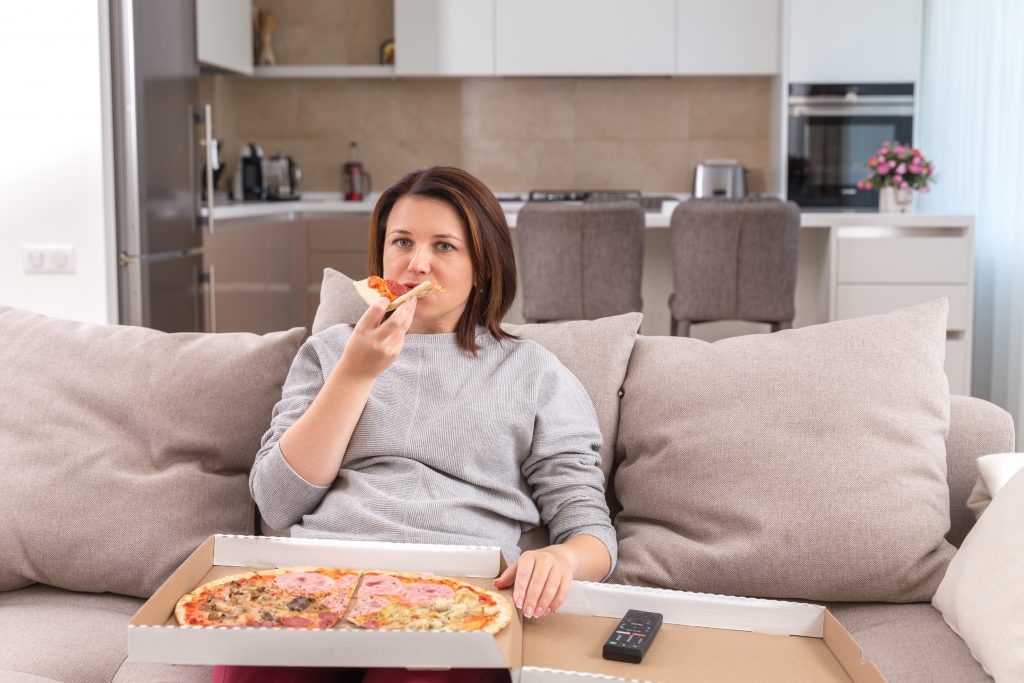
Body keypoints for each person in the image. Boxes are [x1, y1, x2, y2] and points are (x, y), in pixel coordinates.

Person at [215, 166, 616, 683]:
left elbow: (592, 534)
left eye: (444, 247)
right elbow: (277, 501)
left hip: (453, 594)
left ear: (483, 267)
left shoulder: (533, 372)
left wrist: (562, 560)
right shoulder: (331, 352)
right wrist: (355, 375)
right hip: (321, 577)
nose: (416, 263)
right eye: (401, 241)